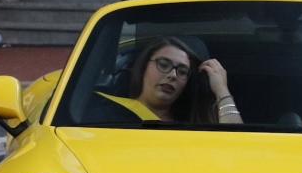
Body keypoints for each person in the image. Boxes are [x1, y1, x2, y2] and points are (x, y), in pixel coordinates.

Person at [95, 38, 241, 123]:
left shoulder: (192, 126)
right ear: (144, 67)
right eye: (163, 65)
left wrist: (221, 90)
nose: (173, 75)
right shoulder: (102, 116)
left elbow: (237, 146)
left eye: (182, 71)